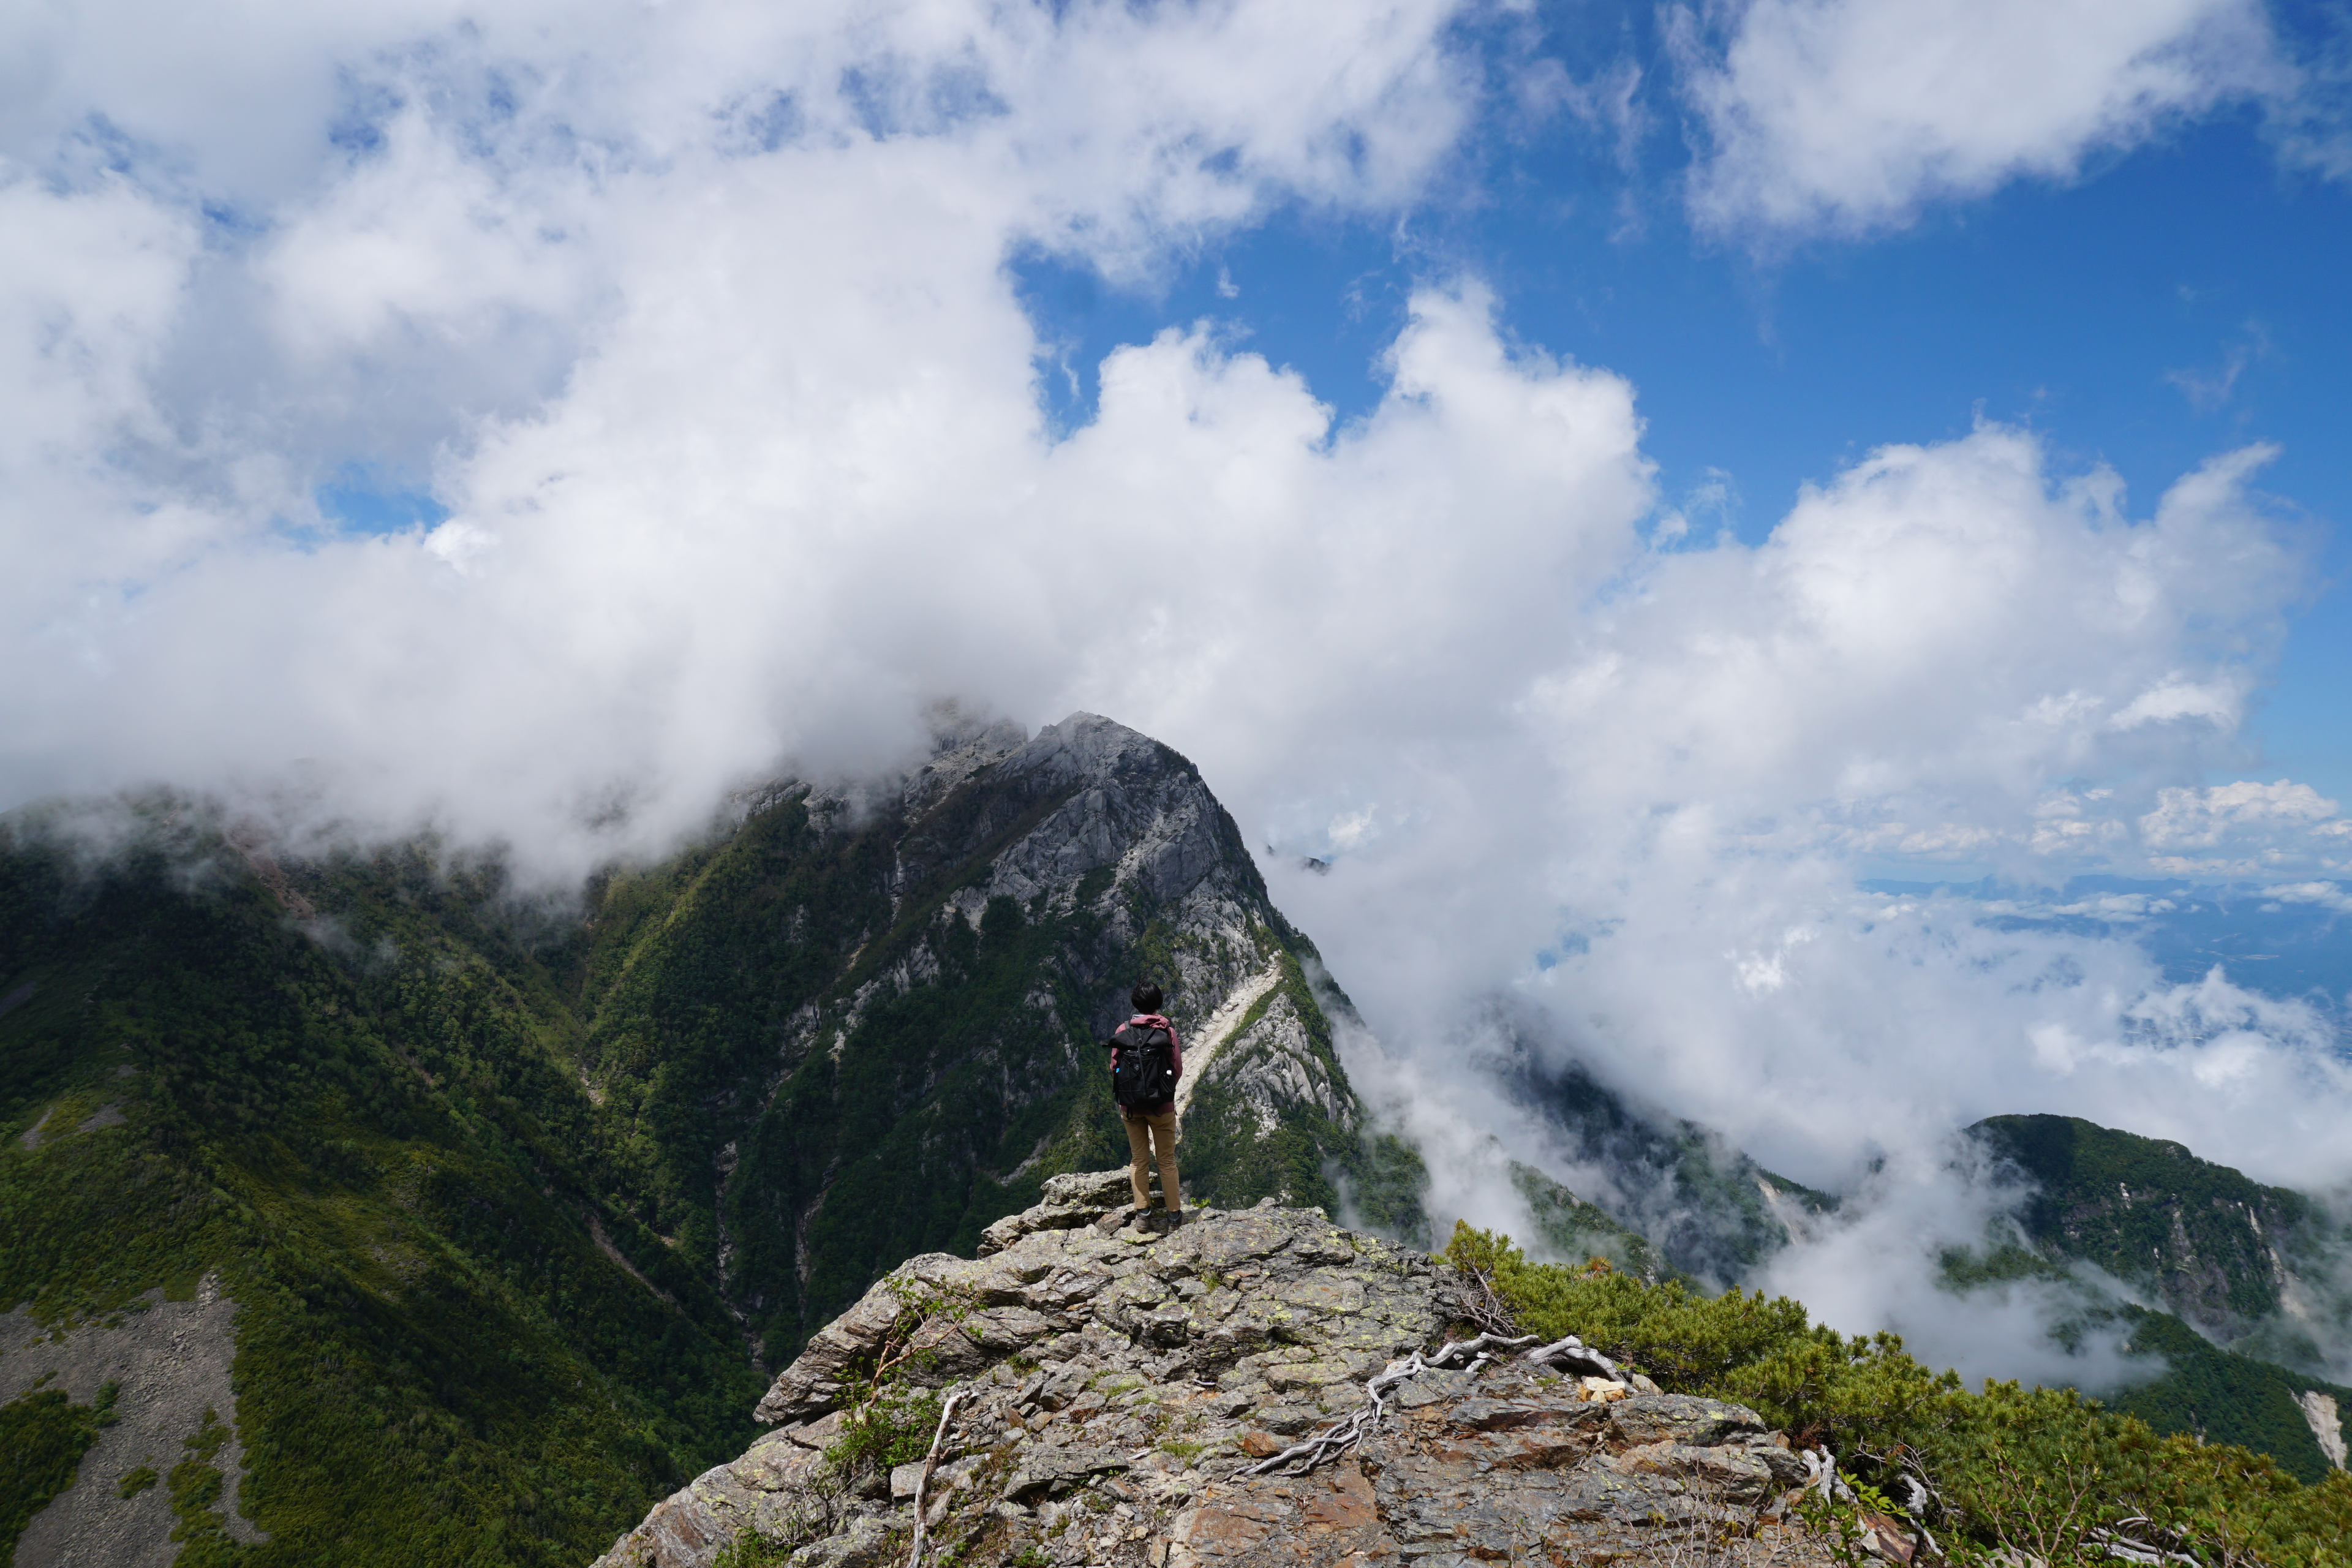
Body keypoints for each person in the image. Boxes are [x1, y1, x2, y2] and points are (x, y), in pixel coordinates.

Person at [1109, 982, 1182, 1219]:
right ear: (1158, 1004)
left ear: (1135, 1004)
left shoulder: (1123, 1030)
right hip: (1161, 1108)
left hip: (1131, 1108)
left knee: (1139, 1161)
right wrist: (1161, 1091)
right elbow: (1176, 1069)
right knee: (1167, 1162)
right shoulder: (1167, 1031)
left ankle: (1143, 1214)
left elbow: (1114, 1068)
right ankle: (1173, 1216)